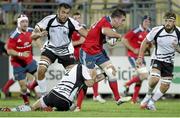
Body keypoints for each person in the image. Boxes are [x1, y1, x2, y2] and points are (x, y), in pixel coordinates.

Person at [74, 8, 132, 112]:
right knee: (90, 82)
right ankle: (78, 106)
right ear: (116, 19)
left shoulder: (106, 22)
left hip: (99, 52)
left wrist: (108, 40)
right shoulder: (106, 22)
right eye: (122, 20)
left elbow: (100, 36)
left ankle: (117, 98)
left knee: (112, 72)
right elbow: (105, 31)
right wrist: (118, 36)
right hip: (87, 52)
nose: (123, 23)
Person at [31, 3, 88, 95]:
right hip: (51, 49)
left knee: (75, 76)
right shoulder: (49, 20)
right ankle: (43, 97)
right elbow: (32, 35)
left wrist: (100, 37)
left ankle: (70, 98)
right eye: (63, 12)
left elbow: (87, 35)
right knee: (41, 70)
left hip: (66, 51)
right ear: (58, 11)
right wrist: (39, 34)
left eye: (67, 13)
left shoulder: (72, 22)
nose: (65, 15)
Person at [0, 64, 106, 112]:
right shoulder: (83, 68)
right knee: (72, 107)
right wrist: (105, 74)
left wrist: (104, 75)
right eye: (94, 71)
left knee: (33, 107)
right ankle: (52, 110)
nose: (94, 73)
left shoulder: (75, 69)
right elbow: (91, 83)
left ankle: (11, 110)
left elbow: (88, 80)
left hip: (52, 94)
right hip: (64, 100)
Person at [137, 12, 180, 111]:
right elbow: (144, 42)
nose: (168, 23)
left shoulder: (178, 32)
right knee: (154, 79)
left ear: (174, 22)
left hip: (169, 62)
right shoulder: (156, 30)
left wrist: (177, 48)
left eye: (170, 21)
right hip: (157, 58)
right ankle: (147, 96)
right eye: (166, 21)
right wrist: (140, 57)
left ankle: (151, 102)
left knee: (166, 85)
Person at [71, 12, 105, 109]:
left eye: (78, 18)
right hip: (73, 57)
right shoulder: (71, 28)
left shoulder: (84, 28)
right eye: (75, 18)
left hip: (86, 55)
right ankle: (72, 99)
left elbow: (90, 37)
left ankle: (95, 95)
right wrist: (79, 42)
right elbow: (69, 44)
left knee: (91, 74)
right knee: (78, 79)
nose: (77, 19)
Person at [5, 14, 38, 104]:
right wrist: (20, 53)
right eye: (22, 21)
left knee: (40, 77)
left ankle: (31, 89)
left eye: (26, 21)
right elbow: (9, 51)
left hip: (29, 61)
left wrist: (40, 37)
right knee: (23, 87)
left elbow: (35, 37)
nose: (25, 23)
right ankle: (26, 103)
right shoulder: (14, 36)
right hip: (18, 64)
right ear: (19, 23)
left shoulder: (31, 30)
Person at [122, 15, 151, 104]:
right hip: (133, 56)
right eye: (146, 21)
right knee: (145, 75)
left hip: (141, 57)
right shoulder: (136, 30)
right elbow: (124, 39)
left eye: (149, 22)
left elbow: (148, 45)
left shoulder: (149, 32)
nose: (147, 23)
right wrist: (133, 49)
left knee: (140, 78)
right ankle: (127, 84)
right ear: (142, 22)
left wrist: (148, 47)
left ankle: (134, 100)